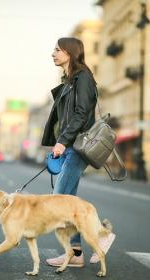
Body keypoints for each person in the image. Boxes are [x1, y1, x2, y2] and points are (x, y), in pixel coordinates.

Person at [41, 37, 116, 268]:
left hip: (77, 147)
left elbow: (82, 113)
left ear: (70, 53)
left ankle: (102, 236)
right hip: (68, 147)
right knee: (69, 204)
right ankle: (75, 254)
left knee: (59, 202)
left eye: (57, 49)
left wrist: (63, 141)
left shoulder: (82, 78)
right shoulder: (70, 80)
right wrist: (59, 143)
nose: (52, 53)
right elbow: (64, 117)